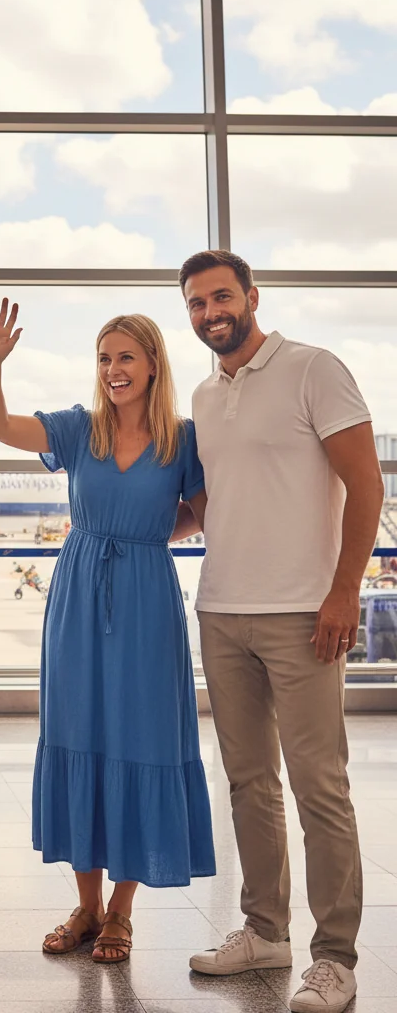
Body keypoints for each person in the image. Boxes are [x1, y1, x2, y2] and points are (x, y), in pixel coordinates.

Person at [0, 301, 215, 963]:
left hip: (146, 597)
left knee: (141, 738)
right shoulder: (79, 429)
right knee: (78, 733)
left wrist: (142, 541)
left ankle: (121, 912)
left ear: (153, 364)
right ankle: (85, 906)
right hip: (79, 596)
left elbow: (202, 512)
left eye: (125, 358)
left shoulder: (183, 439)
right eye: (104, 358)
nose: (113, 370)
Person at [180, 250, 383, 1013]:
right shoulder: (202, 393)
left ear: (252, 297)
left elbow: (366, 481)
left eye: (221, 297)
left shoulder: (313, 369)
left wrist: (343, 589)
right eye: (197, 304)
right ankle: (264, 929)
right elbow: (205, 507)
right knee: (248, 783)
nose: (210, 313)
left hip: (304, 613)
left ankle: (334, 957)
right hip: (221, 608)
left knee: (319, 786)